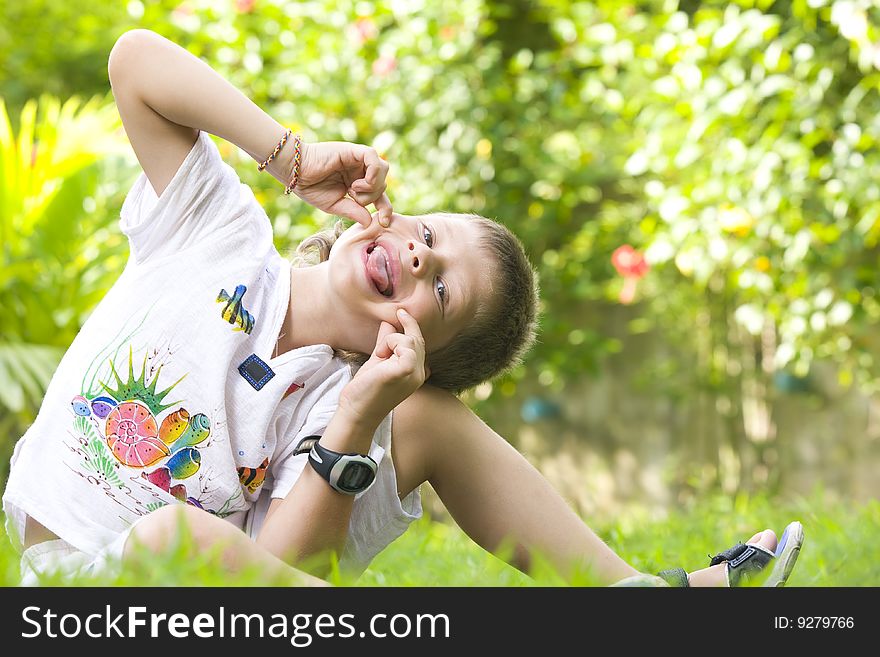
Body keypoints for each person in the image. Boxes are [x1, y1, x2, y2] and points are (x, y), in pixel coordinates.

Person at [2, 29, 802, 588]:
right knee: (165, 536)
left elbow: (274, 576)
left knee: (403, 434)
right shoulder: (222, 234)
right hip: (57, 569)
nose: (420, 253)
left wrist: (356, 419)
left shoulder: (341, 408)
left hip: (164, 600)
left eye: (442, 288)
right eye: (427, 232)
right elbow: (136, 62)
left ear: (417, 350)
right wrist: (291, 156)